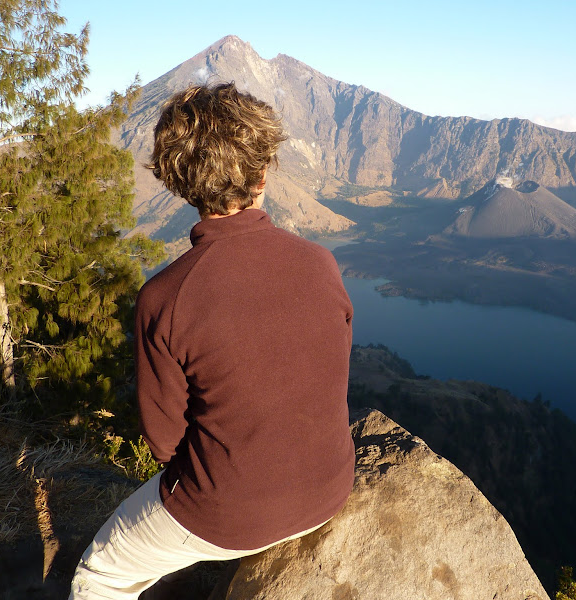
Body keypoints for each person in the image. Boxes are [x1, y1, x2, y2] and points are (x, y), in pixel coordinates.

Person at [70, 83, 355, 599]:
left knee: (102, 576)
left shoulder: (166, 297)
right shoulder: (321, 262)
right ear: (263, 172)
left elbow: (164, 442)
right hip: (330, 491)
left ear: (179, 182)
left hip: (226, 515)